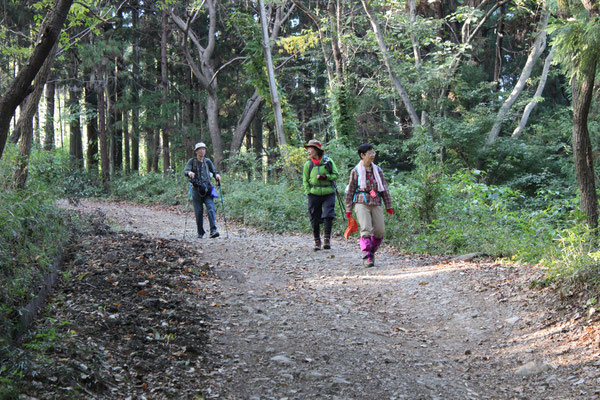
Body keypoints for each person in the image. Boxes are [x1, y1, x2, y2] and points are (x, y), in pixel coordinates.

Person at [345, 143, 393, 267]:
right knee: (366, 228)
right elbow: (350, 190)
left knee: (380, 231)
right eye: (370, 153)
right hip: (361, 201)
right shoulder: (355, 171)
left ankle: (371, 251)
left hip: (376, 200)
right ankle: (367, 256)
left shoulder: (378, 170)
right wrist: (349, 208)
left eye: (373, 152)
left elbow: (384, 189)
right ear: (362, 155)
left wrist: (388, 205)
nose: (373, 155)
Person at [302, 139, 340, 251]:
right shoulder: (308, 164)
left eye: (311, 148)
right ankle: (317, 241)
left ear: (317, 150)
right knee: (314, 217)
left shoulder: (328, 161)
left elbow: (336, 175)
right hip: (314, 194)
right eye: (308, 148)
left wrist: (326, 177)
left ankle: (327, 239)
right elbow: (305, 180)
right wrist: (308, 192)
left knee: (328, 214)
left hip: (329, 192)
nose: (309, 151)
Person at [184, 142, 222, 238]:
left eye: (204, 149)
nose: (202, 151)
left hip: (208, 189)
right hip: (196, 190)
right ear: (196, 151)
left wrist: (217, 175)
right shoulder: (192, 161)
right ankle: (200, 232)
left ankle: (213, 230)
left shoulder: (208, 161)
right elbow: (185, 171)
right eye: (200, 149)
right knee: (199, 211)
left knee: (210, 208)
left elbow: (214, 171)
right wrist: (189, 173)